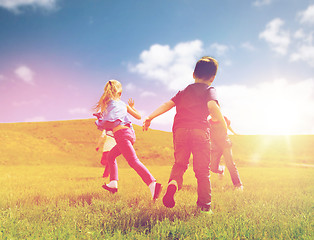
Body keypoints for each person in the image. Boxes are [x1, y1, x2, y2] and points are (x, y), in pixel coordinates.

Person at [143, 57, 227, 213]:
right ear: (213, 77)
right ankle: (204, 207)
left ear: (193, 73)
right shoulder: (210, 90)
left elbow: (167, 104)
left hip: (180, 131)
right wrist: (223, 125)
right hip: (200, 131)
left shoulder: (184, 91)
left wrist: (150, 117)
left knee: (180, 164)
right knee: (202, 171)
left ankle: (173, 184)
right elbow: (211, 105)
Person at [93, 79, 162, 201]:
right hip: (129, 134)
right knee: (111, 156)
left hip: (121, 135)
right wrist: (132, 108)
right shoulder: (123, 104)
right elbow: (138, 116)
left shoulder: (109, 103)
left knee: (133, 161)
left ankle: (152, 183)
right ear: (120, 93)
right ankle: (113, 184)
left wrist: (100, 116)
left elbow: (107, 120)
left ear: (108, 92)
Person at [209, 116, 243, 190]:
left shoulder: (223, 118)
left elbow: (228, 126)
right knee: (212, 167)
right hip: (215, 146)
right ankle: (220, 170)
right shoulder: (209, 122)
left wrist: (234, 133)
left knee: (230, 164)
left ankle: (238, 185)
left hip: (225, 144)